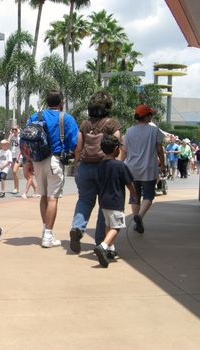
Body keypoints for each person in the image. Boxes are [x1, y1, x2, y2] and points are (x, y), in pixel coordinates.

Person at [25, 90, 78, 248]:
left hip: (37, 160)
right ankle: (48, 235)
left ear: (46, 102)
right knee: (52, 198)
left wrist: (27, 161)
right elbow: (74, 142)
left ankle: (45, 230)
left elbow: (27, 139)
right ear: (61, 101)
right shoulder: (66, 118)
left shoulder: (36, 116)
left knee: (43, 196)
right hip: (54, 160)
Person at [69, 91, 121, 253]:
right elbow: (117, 147)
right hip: (104, 167)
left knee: (84, 200)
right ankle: (100, 240)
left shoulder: (84, 124)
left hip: (85, 166)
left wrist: (78, 165)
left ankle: (77, 228)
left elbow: (78, 147)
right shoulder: (113, 124)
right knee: (103, 205)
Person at [120, 104, 165, 235]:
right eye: (150, 114)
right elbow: (159, 150)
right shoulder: (154, 130)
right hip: (148, 168)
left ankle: (136, 222)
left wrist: (120, 164)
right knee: (149, 195)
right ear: (146, 117)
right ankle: (139, 216)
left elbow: (124, 151)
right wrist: (162, 164)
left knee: (135, 195)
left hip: (131, 168)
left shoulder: (129, 131)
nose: (151, 116)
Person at [94, 135, 137, 267]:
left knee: (108, 225)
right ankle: (103, 246)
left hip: (103, 201)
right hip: (115, 201)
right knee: (116, 227)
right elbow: (129, 183)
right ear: (116, 149)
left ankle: (110, 250)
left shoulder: (100, 165)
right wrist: (134, 195)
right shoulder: (120, 165)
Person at [8, 126, 21, 194]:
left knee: (14, 171)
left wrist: (18, 135)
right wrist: (10, 134)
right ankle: (16, 187)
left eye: (15, 129)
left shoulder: (20, 136)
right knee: (14, 173)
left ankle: (16, 188)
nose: (14, 131)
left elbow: (20, 144)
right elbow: (7, 143)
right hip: (12, 156)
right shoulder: (12, 136)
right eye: (13, 129)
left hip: (18, 156)